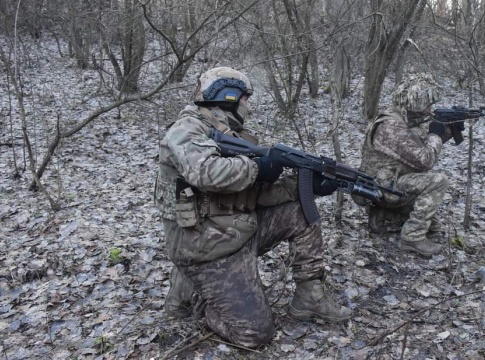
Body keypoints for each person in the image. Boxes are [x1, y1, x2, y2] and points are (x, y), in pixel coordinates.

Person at [153, 67, 352, 348]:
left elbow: (255, 193)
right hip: (204, 248)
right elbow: (205, 173)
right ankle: (194, 293)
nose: (248, 104)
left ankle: (309, 296)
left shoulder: (236, 135)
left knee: (301, 211)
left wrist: (304, 187)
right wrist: (258, 167)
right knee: (254, 335)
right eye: (245, 98)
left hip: (237, 231)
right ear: (228, 96)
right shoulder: (186, 130)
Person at [353, 73, 453, 258]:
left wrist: (445, 132)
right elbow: (425, 161)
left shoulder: (401, 120)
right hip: (381, 188)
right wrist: (436, 135)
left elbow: (416, 151)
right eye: (427, 105)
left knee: (434, 226)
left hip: (386, 183)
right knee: (439, 181)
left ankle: (384, 214)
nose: (430, 109)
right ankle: (411, 238)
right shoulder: (391, 127)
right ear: (416, 103)